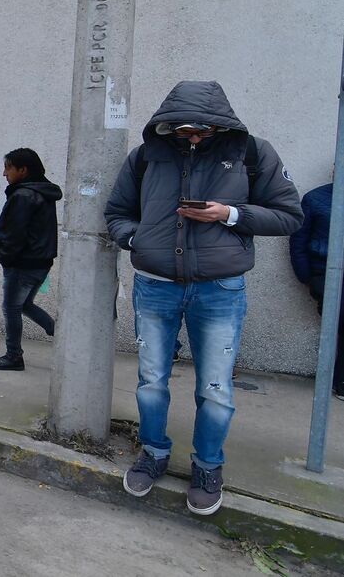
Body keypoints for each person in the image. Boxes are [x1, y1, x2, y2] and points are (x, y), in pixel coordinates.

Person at [105, 80, 302, 516]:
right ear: (168, 126)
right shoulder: (145, 156)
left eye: (203, 131)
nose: (193, 138)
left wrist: (229, 214)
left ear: (220, 126)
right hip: (154, 285)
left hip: (220, 290)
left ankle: (208, 466)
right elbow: (116, 211)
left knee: (215, 388)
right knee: (151, 381)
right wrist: (135, 237)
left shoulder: (252, 153)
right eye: (184, 130)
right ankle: (154, 452)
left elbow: (290, 216)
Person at [0, 148, 61, 371]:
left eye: (8, 168)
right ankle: (59, 332)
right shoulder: (41, 192)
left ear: (23, 170)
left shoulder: (23, 195)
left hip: (23, 264)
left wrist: (5, 257)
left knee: (11, 307)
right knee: (24, 304)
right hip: (40, 262)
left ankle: (14, 356)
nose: (4, 173)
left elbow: (14, 234)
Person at [289, 179, 344, 402]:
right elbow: (298, 240)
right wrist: (307, 277)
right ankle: (340, 381)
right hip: (325, 273)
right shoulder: (315, 198)